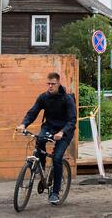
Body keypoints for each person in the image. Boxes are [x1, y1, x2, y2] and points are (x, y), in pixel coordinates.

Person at [16, 72, 76, 205]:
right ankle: (40, 166)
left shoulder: (67, 99)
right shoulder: (44, 97)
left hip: (65, 131)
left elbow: (72, 121)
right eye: (48, 84)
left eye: (53, 84)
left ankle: (55, 193)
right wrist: (23, 124)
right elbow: (33, 112)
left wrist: (62, 132)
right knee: (39, 140)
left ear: (58, 83)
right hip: (49, 127)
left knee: (56, 158)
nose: (50, 86)